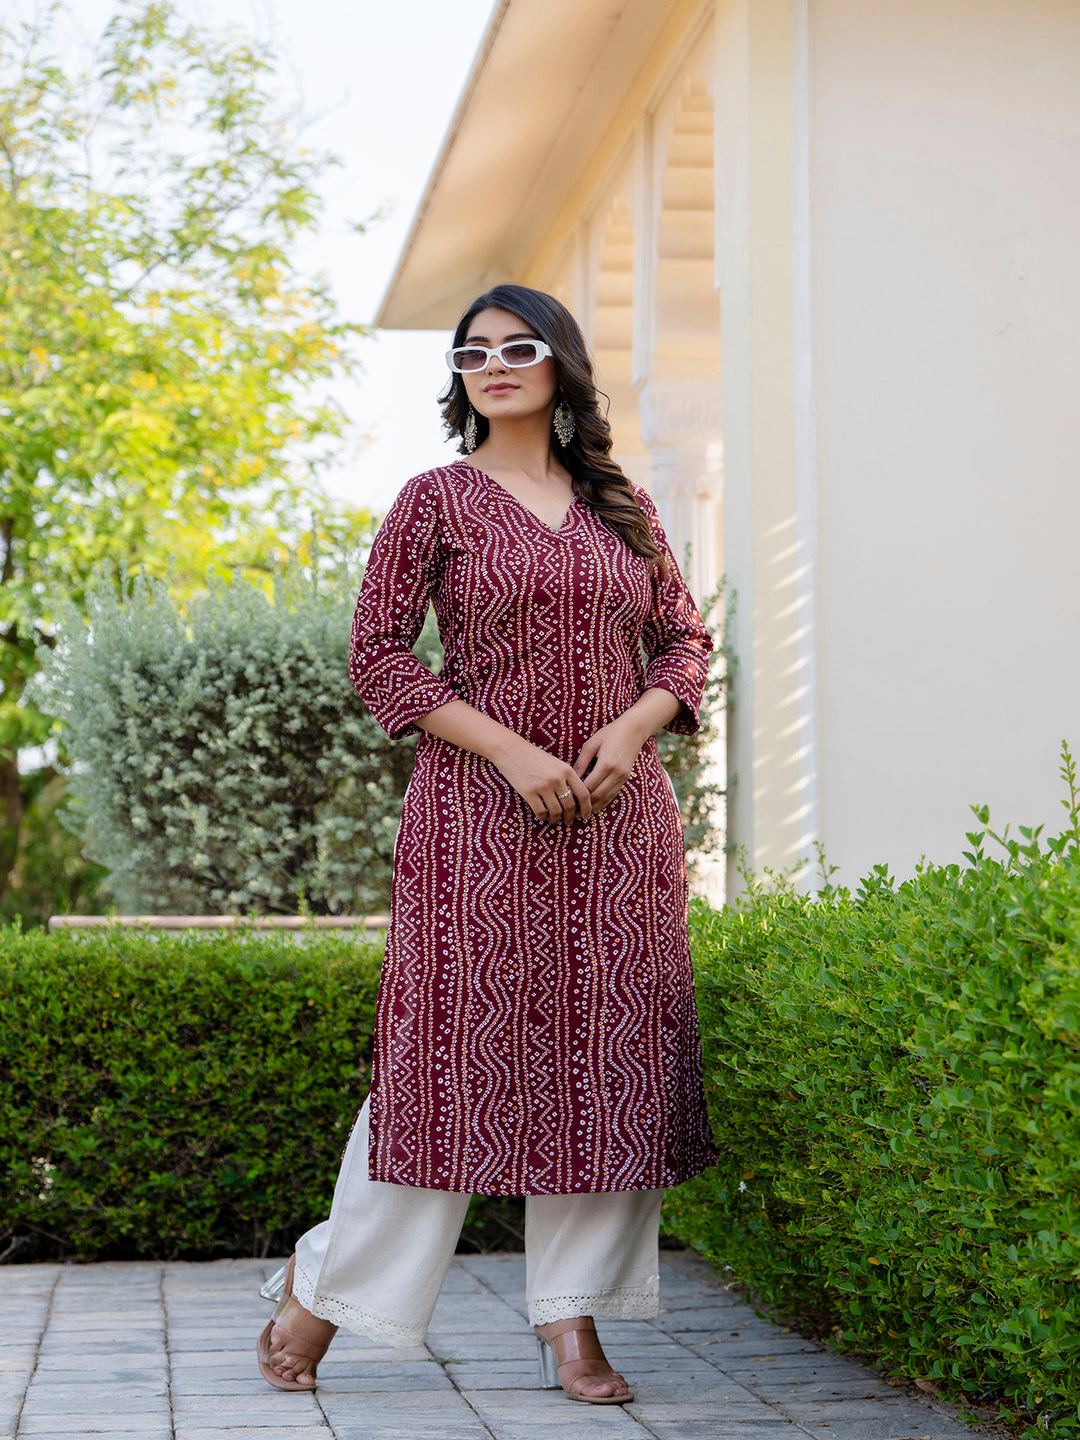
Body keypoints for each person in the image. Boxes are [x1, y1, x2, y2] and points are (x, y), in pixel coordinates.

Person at [257, 283, 720, 1405]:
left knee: (612, 1061)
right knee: (445, 1068)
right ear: (460, 378)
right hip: (476, 825)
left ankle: (575, 1323)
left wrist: (635, 723)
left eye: (519, 348)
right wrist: (511, 752)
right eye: (475, 353)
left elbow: (685, 644)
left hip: (618, 832)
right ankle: (325, 1294)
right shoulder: (436, 502)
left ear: (560, 365)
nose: (496, 365)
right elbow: (380, 657)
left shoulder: (625, 510)